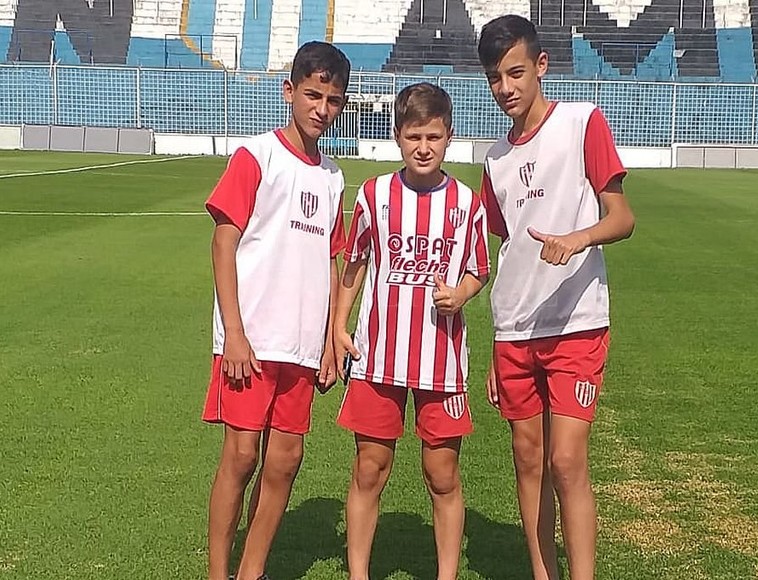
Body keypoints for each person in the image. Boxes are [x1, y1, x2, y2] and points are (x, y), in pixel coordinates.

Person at [476, 15, 636, 580]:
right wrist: (497, 339)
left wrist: (577, 238)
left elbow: (623, 218)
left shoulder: (581, 123)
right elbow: (503, 250)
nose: (506, 88)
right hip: (515, 330)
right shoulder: (494, 159)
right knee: (527, 460)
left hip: (577, 323)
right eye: (496, 78)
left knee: (566, 460)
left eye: (516, 72)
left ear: (541, 66)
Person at [201, 41, 351, 580]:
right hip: (251, 339)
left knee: (285, 462)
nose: (321, 108)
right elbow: (223, 243)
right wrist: (234, 334)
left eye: (333, 100)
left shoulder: (333, 178)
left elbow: (335, 260)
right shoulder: (256, 156)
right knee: (241, 458)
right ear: (289, 92)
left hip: (303, 346)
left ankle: (252, 571)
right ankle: (220, 573)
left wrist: (334, 338)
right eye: (313, 94)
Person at [333, 82, 490, 580]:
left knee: (442, 475)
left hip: (441, 361)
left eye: (434, 137)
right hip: (378, 357)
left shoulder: (467, 203)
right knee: (369, 470)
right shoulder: (375, 195)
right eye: (414, 136)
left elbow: (479, 269)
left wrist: (462, 294)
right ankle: (359, 573)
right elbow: (354, 263)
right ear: (398, 137)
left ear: (449, 139)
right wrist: (338, 327)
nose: (424, 147)